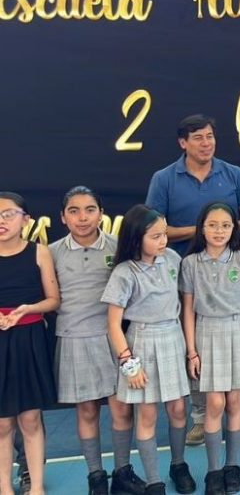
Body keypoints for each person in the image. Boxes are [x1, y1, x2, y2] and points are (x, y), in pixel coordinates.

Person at [145, 114, 240, 445]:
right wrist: (202, 230)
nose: (206, 143)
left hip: (228, 269)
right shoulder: (165, 178)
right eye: (198, 137)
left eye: (210, 136)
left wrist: (222, 230)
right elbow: (155, 227)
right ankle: (201, 415)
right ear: (183, 142)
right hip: (184, 269)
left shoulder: (233, 174)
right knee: (194, 342)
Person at [49, 187, 144, 495]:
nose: (82, 217)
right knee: (87, 411)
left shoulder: (119, 248)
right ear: (63, 217)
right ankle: (96, 478)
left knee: (121, 411)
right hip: (74, 339)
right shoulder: (50, 253)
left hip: (113, 339)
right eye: (74, 211)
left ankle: (122, 474)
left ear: (101, 213)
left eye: (90, 209)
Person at [101, 205, 195, 495]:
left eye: (164, 234)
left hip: (172, 337)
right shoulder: (124, 272)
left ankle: (178, 465)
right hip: (141, 340)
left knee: (179, 409)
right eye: (155, 236)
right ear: (135, 237)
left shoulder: (172, 259)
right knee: (147, 414)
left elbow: (186, 300)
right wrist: (129, 364)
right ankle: (154, 481)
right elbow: (114, 324)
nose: (163, 241)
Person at [181, 203, 240, 495]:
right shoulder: (191, 263)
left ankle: (232, 465)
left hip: (237, 332)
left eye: (225, 225)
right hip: (206, 333)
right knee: (214, 403)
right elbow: (187, 309)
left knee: (235, 401)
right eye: (212, 225)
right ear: (202, 227)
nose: (219, 231)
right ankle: (213, 470)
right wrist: (192, 350)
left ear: (233, 229)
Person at [0, 192, 59, 495]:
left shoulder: (39, 252)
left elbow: (53, 300)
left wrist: (27, 309)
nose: (1, 221)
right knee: (1, 422)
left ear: (26, 219)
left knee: (30, 418)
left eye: (8, 214)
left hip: (29, 340)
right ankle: (4, 487)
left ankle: (36, 486)